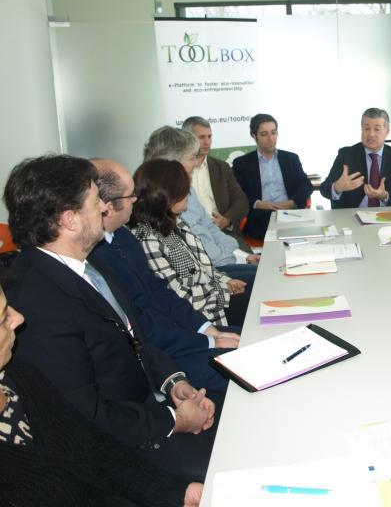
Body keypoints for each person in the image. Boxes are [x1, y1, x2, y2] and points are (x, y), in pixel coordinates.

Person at [2, 155, 218, 480]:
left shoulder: (90, 262)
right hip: (121, 454)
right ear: (70, 219)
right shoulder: (37, 302)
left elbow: (136, 339)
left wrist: (175, 381)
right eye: (95, 202)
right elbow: (85, 414)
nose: (105, 208)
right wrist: (175, 419)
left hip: (150, 410)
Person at [0, 275, 204, 506]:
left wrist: (176, 493)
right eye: (4, 317)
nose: (19, 318)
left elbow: (92, 445)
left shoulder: (18, 374)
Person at [89, 159, 239, 391]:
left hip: (178, 336)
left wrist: (207, 329)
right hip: (161, 358)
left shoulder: (122, 237)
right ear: (107, 206)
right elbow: (142, 324)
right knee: (245, 367)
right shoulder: (96, 257)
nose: (136, 200)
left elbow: (160, 291)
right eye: (130, 195)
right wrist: (207, 341)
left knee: (252, 340)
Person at [130, 159, 247, 328]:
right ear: (167, 196)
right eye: (185, 190)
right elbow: (178, 296)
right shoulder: (147, 239)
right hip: (200, 320)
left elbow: (203, 267)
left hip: (213, 303)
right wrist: (224, 290)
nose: (189, 195)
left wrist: (226, 281)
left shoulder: (176, 222)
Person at [143, 126, 258, 289]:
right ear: (173, 162)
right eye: (192, 158)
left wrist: (242, 257)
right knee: (263, 279)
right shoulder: (166, 201)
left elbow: (209, 226)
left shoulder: (188, 189)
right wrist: (238, 260)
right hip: (209, 274)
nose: (197, 163)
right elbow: (199, 257)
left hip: (218, 266)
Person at [232, 114, 313, 239]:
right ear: (254, 136)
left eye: (273, 133)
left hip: (290, 213)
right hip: (261, 215)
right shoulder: (242, 163)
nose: (270, 138)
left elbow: (305, 185)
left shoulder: (291, 158)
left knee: (308, 230)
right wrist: (258, 204)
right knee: (279, 234)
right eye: (264, 134)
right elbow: (237, 194)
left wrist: (292, 202)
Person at [320, 108, 391, 209]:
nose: (371, 134)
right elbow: (324, 189)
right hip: (351, 215)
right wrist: (337, 187)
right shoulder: (346, 155)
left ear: (387, 132)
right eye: (367, 128)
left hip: (387, 215)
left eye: (377, 129)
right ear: (361, 129)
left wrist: (385, 196)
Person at [182, 116, 249, 247]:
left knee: (248, 256)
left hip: (222, 232)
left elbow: (241, 201)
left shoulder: (221, 167)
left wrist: (226, 220)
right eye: (201, 137)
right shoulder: (177, 169)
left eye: (209, 136)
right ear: (187, 139)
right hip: (190, 237)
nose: (207, 142)